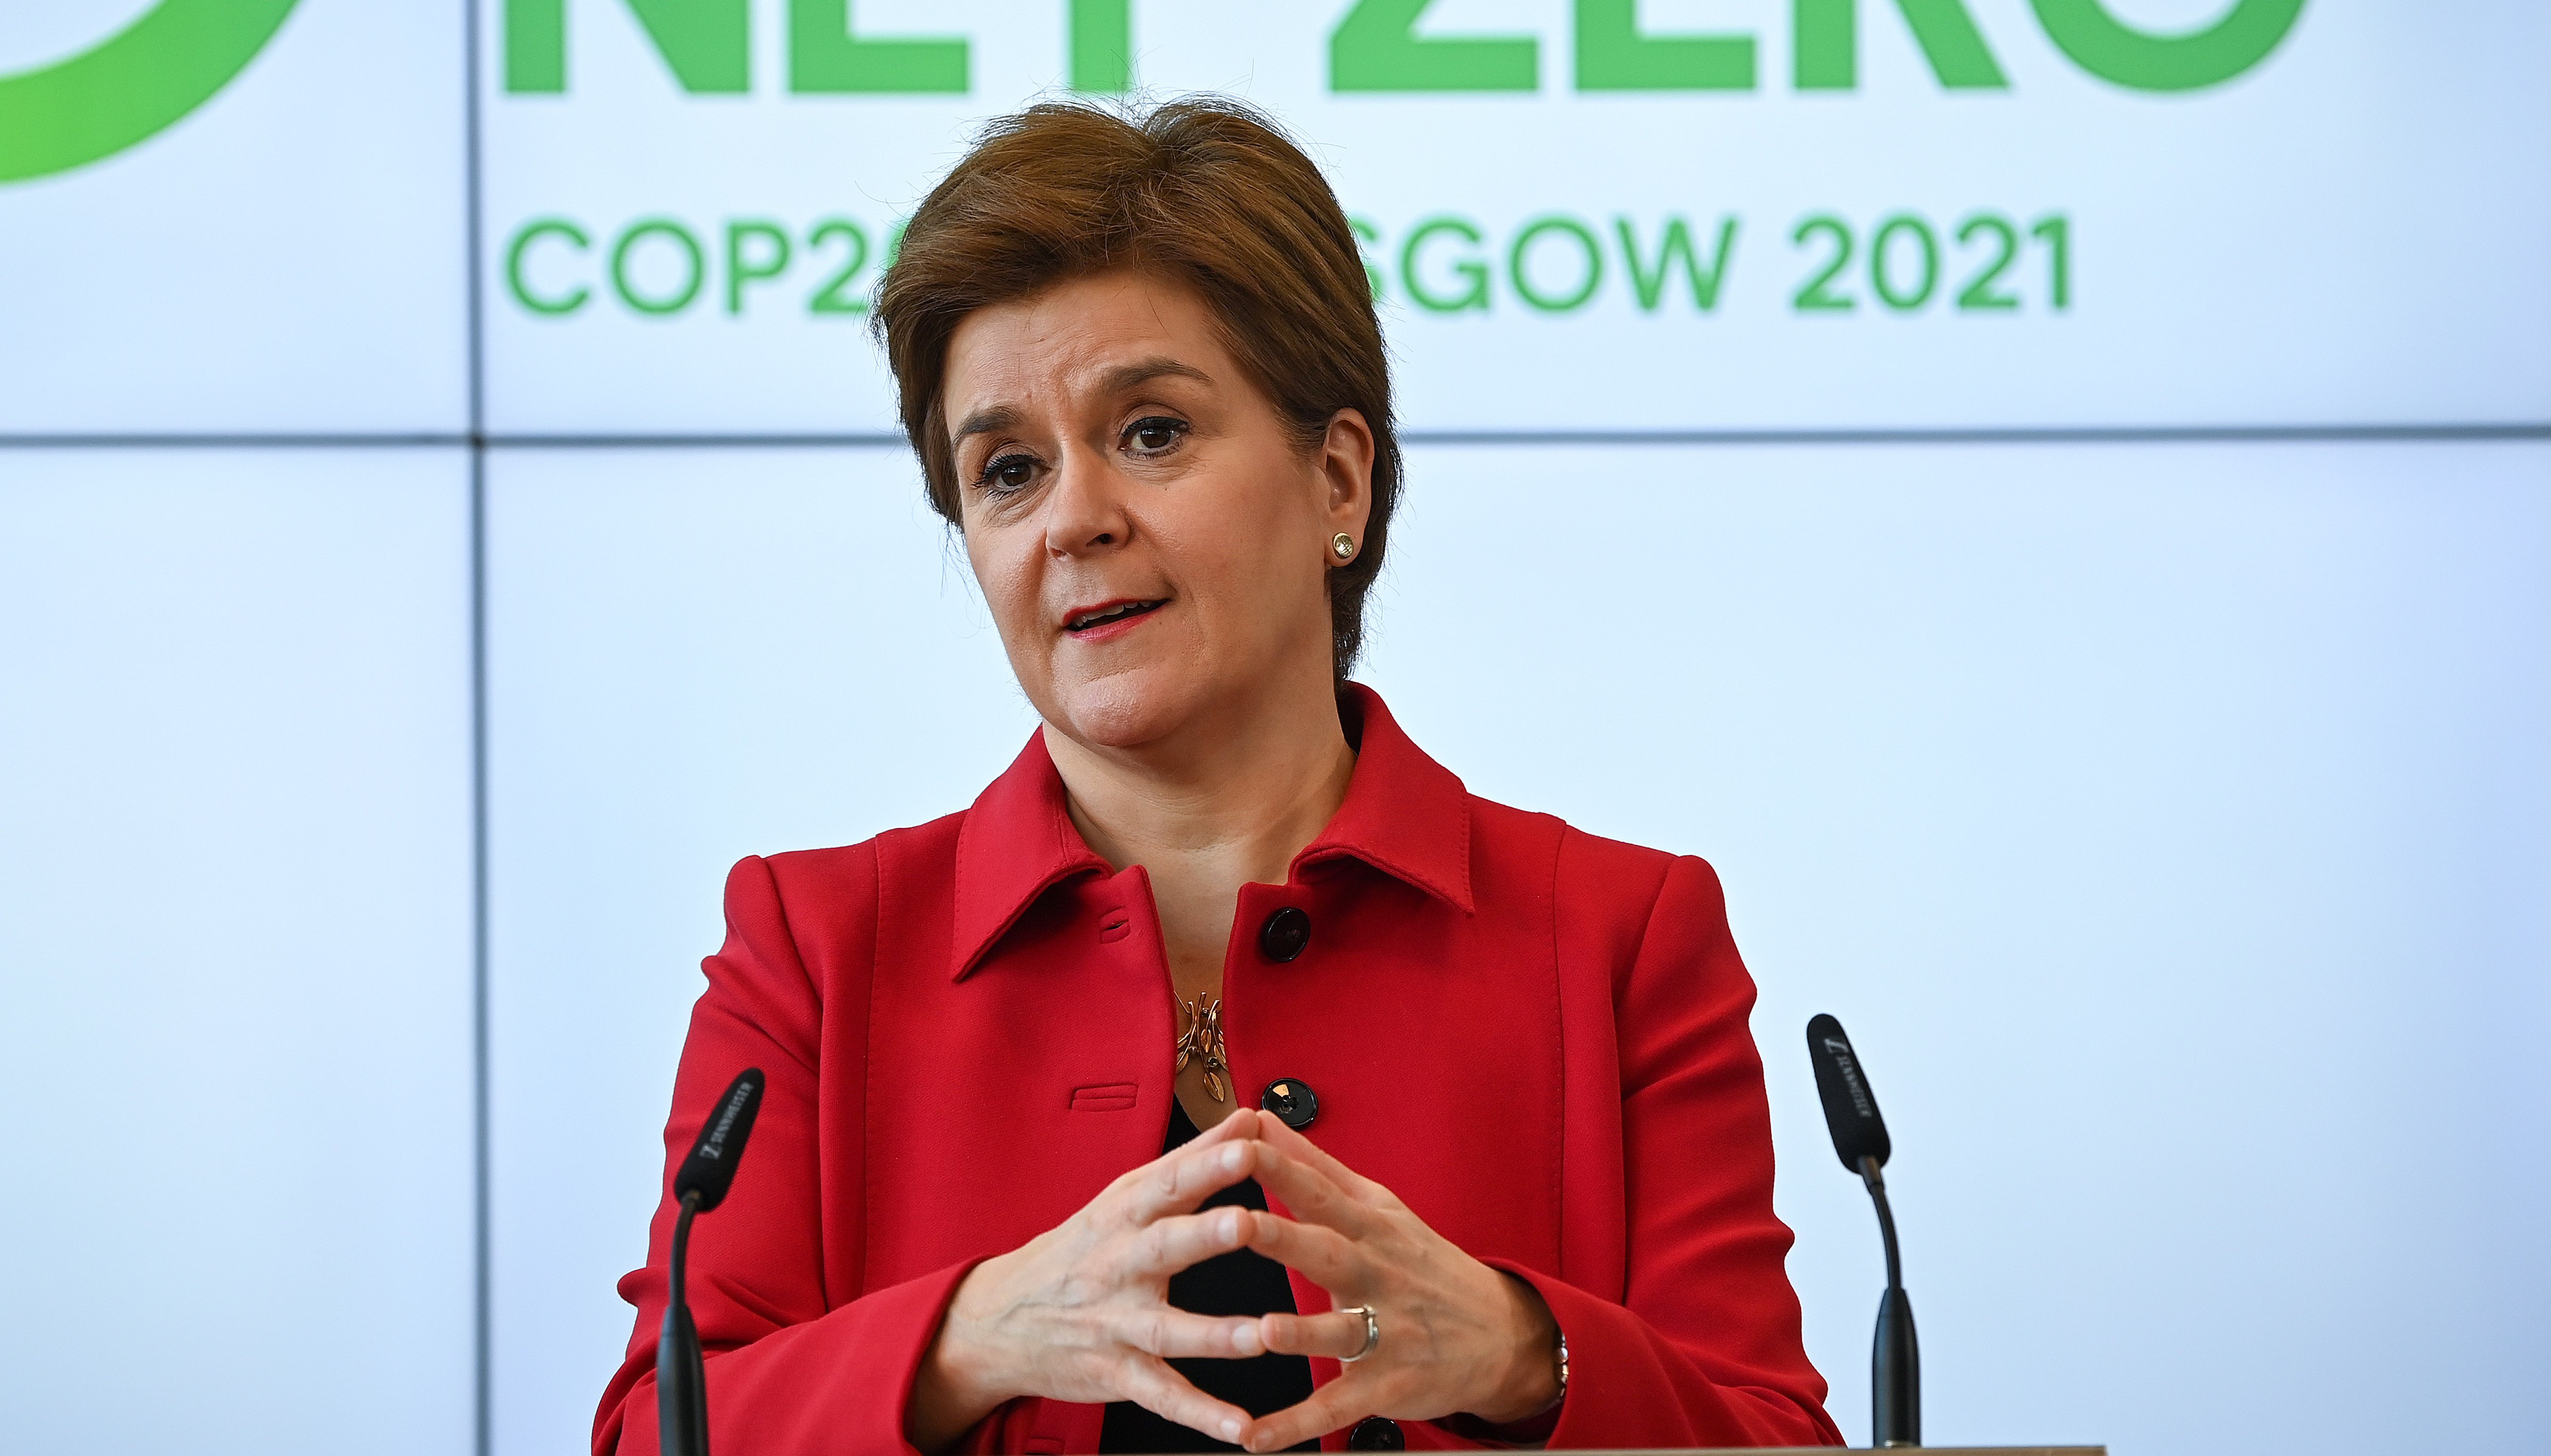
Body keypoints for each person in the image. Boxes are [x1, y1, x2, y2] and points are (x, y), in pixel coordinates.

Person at [594, 98, 1841, 1455]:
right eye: (1007, 470)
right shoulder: (816, 948)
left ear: (1338, 482)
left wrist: (1520, 1354)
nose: (1074, 518)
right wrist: (978, 1333)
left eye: (1151, 432)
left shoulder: (1620, 938)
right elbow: (659, 1429)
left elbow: (1767, 1435)